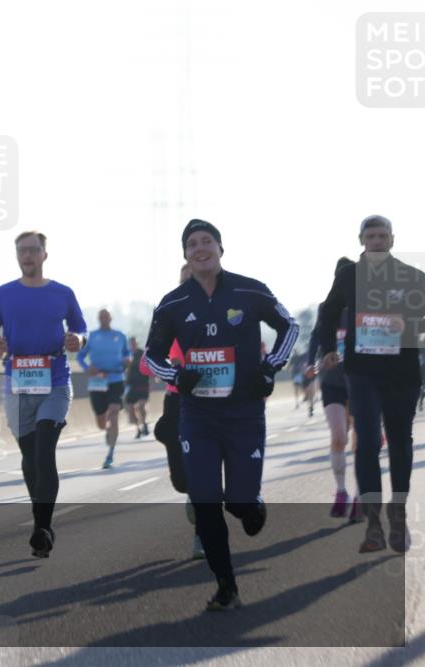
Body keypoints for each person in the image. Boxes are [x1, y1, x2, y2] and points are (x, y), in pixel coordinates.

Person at [146, 219, 298, 610]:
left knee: (240, 503)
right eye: (192, 244)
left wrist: (270, 367)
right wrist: (176, 376)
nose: (200, 248)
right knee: (205, 501)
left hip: (244, 411)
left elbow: (290, 326)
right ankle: (226, 586)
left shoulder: (250, 290)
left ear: (220, 248)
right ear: (185, 254)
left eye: (207, 241)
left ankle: (250, 505)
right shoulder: (173, 303)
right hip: (198, 415)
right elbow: (152, 356)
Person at [319, 215, 424, 553]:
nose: (377, 241)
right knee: (366, 442)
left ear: (392, 239)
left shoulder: (412, 277)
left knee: (400, 444)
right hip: (362, 372)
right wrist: (328, 349)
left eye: (382, 236)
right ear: (361, 240)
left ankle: (399, 514)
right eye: (371, 236)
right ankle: (373, 524)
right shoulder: (349, 276)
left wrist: (408, 324)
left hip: (402, 373)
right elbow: (327, 312)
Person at [0, 231, 87, 558]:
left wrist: (78, 340)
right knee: (30, 458)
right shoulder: (2, 295)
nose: (27, 255)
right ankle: (42, 523)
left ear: (44, 254)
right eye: (22, 250)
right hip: (17, 385)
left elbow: (81, 328)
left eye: (33, 250)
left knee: (43, 452)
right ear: (17, 256)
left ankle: (42, 527)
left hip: (55, 381)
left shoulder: (62, 293)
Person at [140, 263, 204, 560]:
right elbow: (146, 362)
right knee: (181, 480)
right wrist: (170, 367)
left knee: (206, 464)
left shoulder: (224, 309)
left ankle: (203, 534)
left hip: (212, 399)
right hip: (177, 399)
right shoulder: (169, 310)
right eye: (185, 280)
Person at [305, 258, 360, 521]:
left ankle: (360, 494)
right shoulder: (327, 307)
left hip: (362, 381)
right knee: (339, 436)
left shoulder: (366, 305)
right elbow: (316, 336)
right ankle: (341, 491)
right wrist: (310, 363)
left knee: (361, 441)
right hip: (333, 381)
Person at [78, 309, 130, 469]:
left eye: (106, 316)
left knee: (114, 412)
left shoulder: (120, 335)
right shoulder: (92, 336)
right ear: (98, 319)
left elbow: (127, 353)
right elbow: (80, 356)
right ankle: (106, 429)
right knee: (101, 421)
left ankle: (110, 454)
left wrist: (127, 360)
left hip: (116, 378)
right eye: (101, 317)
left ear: (110, 318)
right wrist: (87, 368)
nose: (104, 319)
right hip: (97, 381)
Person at [125, 336, 151, 439]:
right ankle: (138, 429)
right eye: (131, 344)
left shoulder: (142, 354)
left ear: (137, 343)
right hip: (131, 385)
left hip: (143, 384)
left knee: (141, 406)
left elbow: (149, 365)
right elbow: (124, 368)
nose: (133, 345)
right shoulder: (127, 354)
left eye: (134, 343)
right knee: (131, 409)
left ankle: (144, 424)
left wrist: (153, 376)